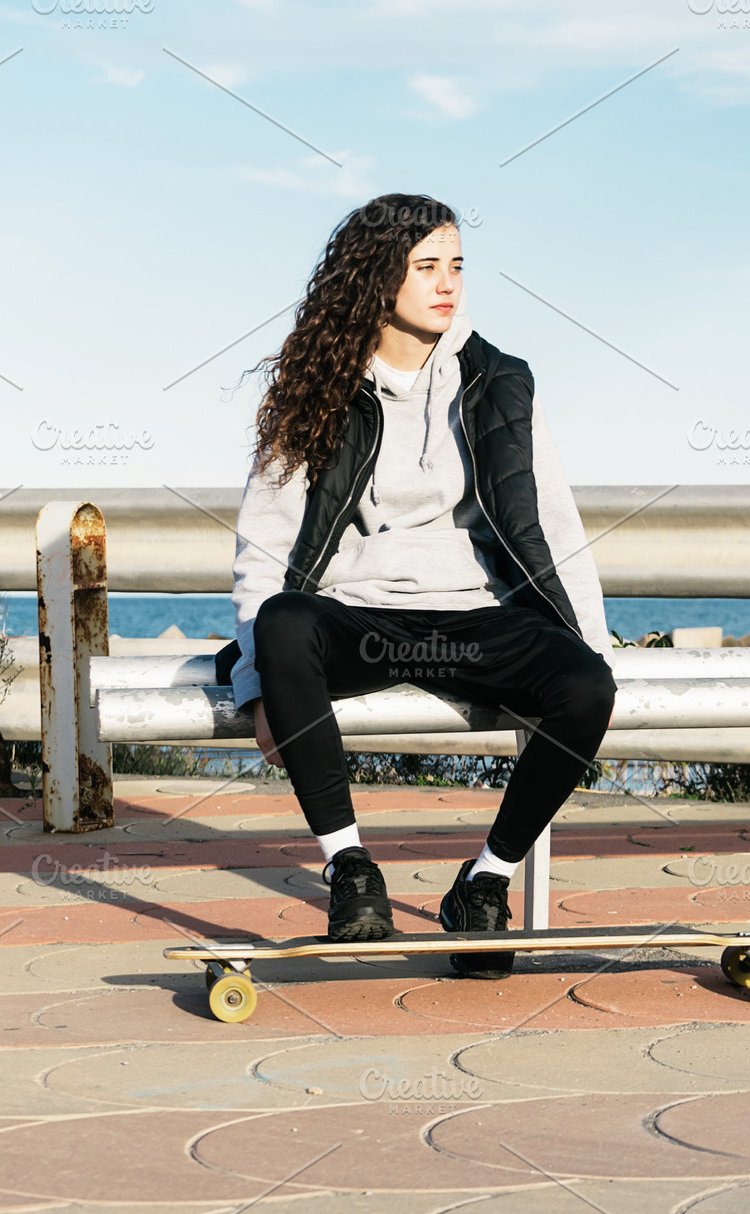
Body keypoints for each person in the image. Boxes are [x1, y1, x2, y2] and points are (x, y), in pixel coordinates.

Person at [222, 193, 616, 978]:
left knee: (586, 684)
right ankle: (350, 871)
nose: (447, 284)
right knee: (285, 620)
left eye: (456, 266)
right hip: (359, 619)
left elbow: (553, 523)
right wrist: (258, 681)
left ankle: (484, 884)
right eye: (426, 266)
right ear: (376, 277)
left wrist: (590, 651)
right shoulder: (316, 386)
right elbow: (264, 545)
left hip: (477, 618)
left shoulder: (501, 381)